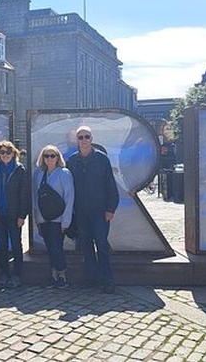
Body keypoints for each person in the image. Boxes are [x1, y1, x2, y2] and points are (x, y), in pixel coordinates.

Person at [66, 126, 119, 294]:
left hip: (100, 211)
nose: (83, 140)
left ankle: (107, 280)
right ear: (77, 140)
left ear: (91, 138)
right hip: (81, 212)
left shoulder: (102, 159)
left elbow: (110, 185)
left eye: (86, 136)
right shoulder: (72, 161)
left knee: (102, 246)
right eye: (80, 137)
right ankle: (92, 278)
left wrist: (110, 209)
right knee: (87, 246)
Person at [0, 140, 31, 290]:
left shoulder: (19, 169)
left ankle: (17, 275)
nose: (5, 155)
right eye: (3, 153)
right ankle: (4, 273)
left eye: (8, 152)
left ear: (14, 154)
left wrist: (22, 215)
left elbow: (24, 194)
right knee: (2, 245)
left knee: (16, 244)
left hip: (14, 214)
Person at [33, 144, 74, 289]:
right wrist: (38, 220)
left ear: (58, 157)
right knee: (50, 247)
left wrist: (66, 221)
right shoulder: (38, 174)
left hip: (59, 219)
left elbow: (69, 198)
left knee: (57, 247)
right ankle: (53, 275)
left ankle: (62, 276)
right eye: (46, 156)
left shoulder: (64, 173)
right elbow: (35, 198)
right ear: (42, 158)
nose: (49, 158)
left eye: (52, 155)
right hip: (44, 218)